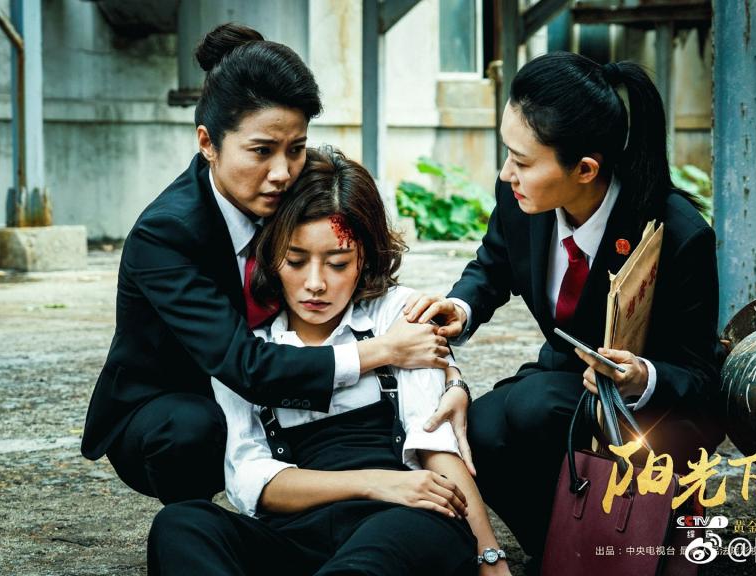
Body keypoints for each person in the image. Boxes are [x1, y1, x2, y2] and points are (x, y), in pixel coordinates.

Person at [81, 24, 468, 505]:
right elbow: (245, 366)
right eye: (261, 151)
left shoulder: (293, 193)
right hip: (180, 401)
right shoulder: (165, 235)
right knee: (192, 430)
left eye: (296, 148)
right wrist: (383, 350)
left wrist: (450, 379)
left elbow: (370, 290)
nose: (282, 172)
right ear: (207, 143)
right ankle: (199, 524)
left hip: (272, 391)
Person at [404, 52, 726, 565]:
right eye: (507, 153)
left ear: (585, 169)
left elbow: (703, 379)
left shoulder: (680, 235)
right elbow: (494, 263)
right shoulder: (521, 197)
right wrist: (461, 307)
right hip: (566, 383)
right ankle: (567, 552)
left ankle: (637, 542)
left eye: (522, 161)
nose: (506, 172)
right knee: (477, 431)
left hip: (656, 412)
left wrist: (641, 376)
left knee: (532, 407)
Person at [148, 146, 510, 576]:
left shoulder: (398, 314)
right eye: (296, 260)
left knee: (380, 552)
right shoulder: (246, 343)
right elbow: (251, 481)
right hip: (298, 534)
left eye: (338, 263)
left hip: (402, 523)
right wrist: (375, 483)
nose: (315, 283)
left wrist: (490, 556)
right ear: (269, 254)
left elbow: (436, 443)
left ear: (365, 257)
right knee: (181, 525)